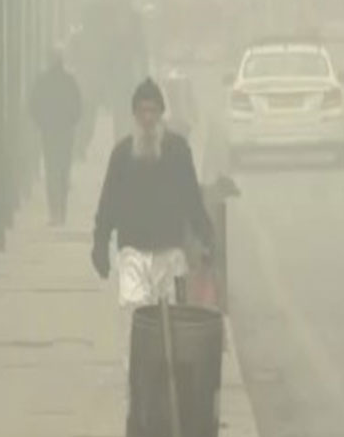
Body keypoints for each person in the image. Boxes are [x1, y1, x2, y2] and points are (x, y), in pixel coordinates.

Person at [90, 77, 215, 310]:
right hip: (132, 253)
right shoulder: (122, 154)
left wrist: (206, 237)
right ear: (135, 115)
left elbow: (191, 199)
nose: (147, 118)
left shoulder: (177, 151)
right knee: (137, 317)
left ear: (160, 114)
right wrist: (100, 244)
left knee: (173, 320)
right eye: (142, 111)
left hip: (171, 252)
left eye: (153, 111)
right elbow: (108, 203)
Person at [29, 50, 84, 226]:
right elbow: (78, 105)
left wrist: (42, 122)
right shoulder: (69, 81)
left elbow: (33, 104)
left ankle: (54, 212)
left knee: (52, 170)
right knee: (63, 171)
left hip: (49, 132)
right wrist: (71, 121)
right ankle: (62, 212)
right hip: (65, 132)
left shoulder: (42, 81)